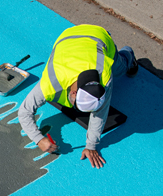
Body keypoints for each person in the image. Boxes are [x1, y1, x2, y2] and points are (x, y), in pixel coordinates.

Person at [18, 24, 138, 168]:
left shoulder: (105, 77)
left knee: (120, 68)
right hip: (67, 37)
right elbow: (24, 111)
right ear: (73, 93)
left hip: (99, 37)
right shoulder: (52, 80)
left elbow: (100, 114)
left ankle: (128, 54)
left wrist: (91, 145)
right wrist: (38, 139)